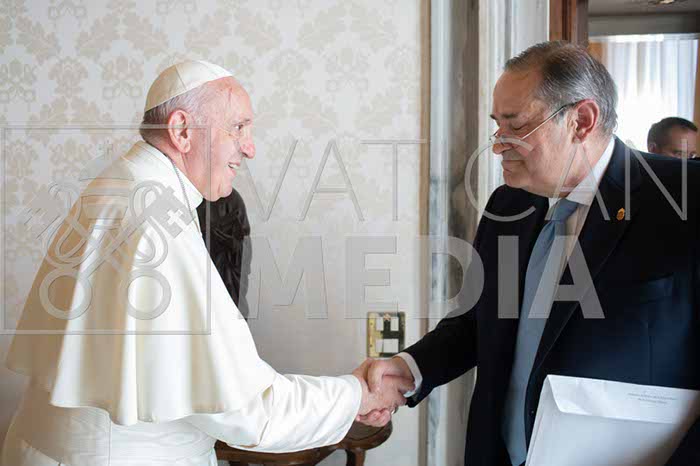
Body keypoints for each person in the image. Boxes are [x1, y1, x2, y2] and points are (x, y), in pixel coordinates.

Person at [1, 61, 409, 466]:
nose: (249, 148)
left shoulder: (122, 183)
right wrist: (357, 394)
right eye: (238, 128)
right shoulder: (156, 220)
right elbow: (251, 411)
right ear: (182, 131)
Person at [359, 42, 700, 465]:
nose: (497, 146)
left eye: (515, 126)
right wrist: (408, 369)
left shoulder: (685, 199)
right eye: (497, 126)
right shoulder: (508, 204)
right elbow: (477, 321)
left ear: (581, 121)